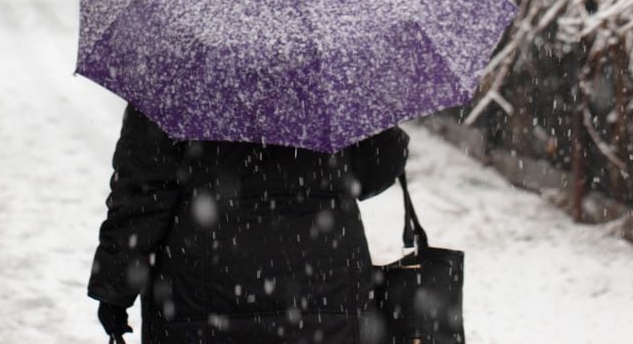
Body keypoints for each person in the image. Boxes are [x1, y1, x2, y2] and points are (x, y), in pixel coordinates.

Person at [88, 103, 410, 344]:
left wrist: (115, 288)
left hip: (200, 298)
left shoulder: (175, 72)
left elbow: (143, 193)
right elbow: (376, 168)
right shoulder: (336, 68)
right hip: (324, 290)